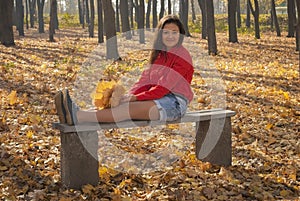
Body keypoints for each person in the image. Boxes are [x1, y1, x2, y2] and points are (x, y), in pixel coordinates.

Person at [55, 14, 194, 125]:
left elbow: (163, 87)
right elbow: (144, 81)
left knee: (126, 110)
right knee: (118, 105)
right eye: (166, 32)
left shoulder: (182, 56)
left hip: (174, 103)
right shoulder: (158, 55)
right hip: (156, 97)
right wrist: (126, 96)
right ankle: (77, 113)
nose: (170, 36)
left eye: (174, 32)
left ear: (180, 34)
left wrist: (134, 98)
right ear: (160, 34)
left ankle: (77, 116)